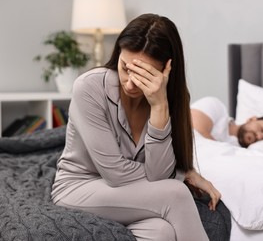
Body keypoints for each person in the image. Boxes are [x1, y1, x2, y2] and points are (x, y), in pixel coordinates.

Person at [51, 13, 221, 241]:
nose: (130, 83)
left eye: (143, 75)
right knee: (176, 194)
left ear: (166, 70)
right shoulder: (89, 87)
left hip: (129, 194)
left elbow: (158, 174)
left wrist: (159, 105)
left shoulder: (172, 100)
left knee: (162, 232)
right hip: (78, 187)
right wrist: (182, 174)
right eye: (125, 68)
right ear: (118, 54)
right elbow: (115, 173)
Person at [191, 96, 263, 148]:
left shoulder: (242, 154)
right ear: (252, 119)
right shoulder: (216, 107)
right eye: (262, 129)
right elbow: (194, 132)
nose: (259, 136)